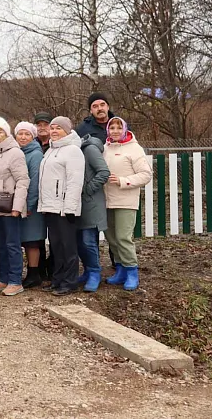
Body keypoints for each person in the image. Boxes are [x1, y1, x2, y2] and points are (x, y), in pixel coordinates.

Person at [103, 117, 152, 291]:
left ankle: (132, 272)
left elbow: (146, 174)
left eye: (118, 128)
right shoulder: (105, 148)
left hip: (125, 200)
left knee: (123, 237)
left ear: (124, 129)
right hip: (107, 200)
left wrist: (123, 181)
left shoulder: (134, 148)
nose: (115, 131)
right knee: (112, 238)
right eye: (112, 128)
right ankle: (121, 270)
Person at [38, 117, 85, 296]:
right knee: (56, 246)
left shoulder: (73, 150)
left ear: (67, 130)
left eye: (59, 128)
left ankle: (69, 281)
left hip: (64, 208)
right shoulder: (51, 150)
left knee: (67, 246)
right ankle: (57, 279)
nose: (54, 131)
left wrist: (70, 208)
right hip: (50, 206)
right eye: (52, 128)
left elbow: (75, 181)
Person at [0, 117, 30, 297]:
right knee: (0, 245)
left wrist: (17, 207)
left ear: (6, 134)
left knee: (12, 245)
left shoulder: (15, 153)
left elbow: (22, 180)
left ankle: (15, 280)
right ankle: (3, 278)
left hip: (9, 207)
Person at [14, 122, 46, 288]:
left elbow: (35, 182)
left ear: (33, 136)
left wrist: (28, 205)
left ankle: (34, 274)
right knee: (24, 240)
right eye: (20, 134)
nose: (23, 137)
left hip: (30, 206)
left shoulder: (35, 155)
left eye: (27, 134)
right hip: (20, 204)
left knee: (32, 241)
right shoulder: (18, 152)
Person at [77, 133, 110, 292]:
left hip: (91, 203)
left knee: (88, 240)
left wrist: (88, 190)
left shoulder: (89, 149)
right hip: (77, 203)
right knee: (79, 241)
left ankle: (95, 272)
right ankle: (88, 270)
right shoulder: (74, 149)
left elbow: (103, 172)